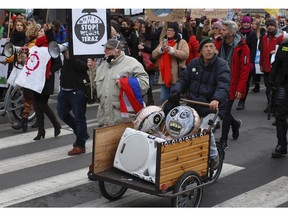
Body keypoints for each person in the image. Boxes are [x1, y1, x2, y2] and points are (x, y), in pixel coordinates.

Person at [167, 37, 231, 169]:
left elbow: (223, 85)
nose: (209, 49)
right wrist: (176, 91)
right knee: (179, 126)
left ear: (215, 49)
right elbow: (183, 80)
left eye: (211, 47)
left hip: (212, 106)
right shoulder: (194, 63)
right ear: (200, 50)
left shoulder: (222, 65)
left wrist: (216, 99)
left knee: (204, 131)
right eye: (206, 47)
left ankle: (214, 157)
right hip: (193, 104)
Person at [89, 38, 149, 127]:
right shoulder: (102, 66)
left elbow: (145, 85)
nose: (105, 50)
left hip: (123, 119)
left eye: (109, 49)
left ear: (118, 51)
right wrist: (92, 70)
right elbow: (96, 87)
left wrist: (126, 83)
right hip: (105, 119)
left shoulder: (132, 63)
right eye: (105, 48)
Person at [218, 20, 250, 149]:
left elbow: (244, 70)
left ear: (231, 33)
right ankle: (235, 123)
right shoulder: (219, 44)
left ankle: (223, 140)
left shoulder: (243, 48)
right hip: (218, 82)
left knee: (225, 112)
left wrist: (240, 89)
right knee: (220, 111)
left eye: (224, 30)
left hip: (232, 83)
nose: (221, 31)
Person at [57, 46, 91, 156]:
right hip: (65, 89)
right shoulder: (65, 50)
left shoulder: (84, 50)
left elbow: (85, 67)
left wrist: (70, 57)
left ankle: (80, 145)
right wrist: (48, 33)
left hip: (77, 90)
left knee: (79, 118)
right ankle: (82, 134)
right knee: (62, 113)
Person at [32, 24, 62, 141]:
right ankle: (41, 131)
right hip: (36, 78)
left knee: (43, 104)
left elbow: (58, 63)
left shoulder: (51, 45)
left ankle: (56, 125)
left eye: (41, 31)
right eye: (39, 31)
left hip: (46, 79)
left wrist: (50, 71)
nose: (39, 32)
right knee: (36, 104)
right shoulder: (36, 46)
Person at [11, 23, 41, 132]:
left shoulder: (33, 45)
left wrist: (23, 59)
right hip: (28, 74)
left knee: (32, 99)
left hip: (32, 75)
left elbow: (31, 59)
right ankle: (24, 123)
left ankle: (32, 122)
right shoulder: (29, 43)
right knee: (28, 99)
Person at [151, 22, 189, 103]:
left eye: (171, 30)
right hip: (164, 76)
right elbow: (153, 55)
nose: (169, 32)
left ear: (176, 32)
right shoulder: (163, 42)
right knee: (163, 99)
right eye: (168, 30)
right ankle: (166, 113)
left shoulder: (182, 42)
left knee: (174, 99)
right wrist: (161, 49)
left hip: (176, 76)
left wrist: (172, 50)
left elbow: (185, 55)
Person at [259, 18, 284, 113]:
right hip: (266, 67)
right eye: (268, 25)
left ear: (275, 26)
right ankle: (270, 104)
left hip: (276, 68)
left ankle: (275, 106)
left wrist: (277, 52)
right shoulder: (264, 37)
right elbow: (262, 52)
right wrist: (261, 65)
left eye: (272, 25)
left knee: (276, 88)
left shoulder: (280, 37)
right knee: (268, 87)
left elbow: (285, 51)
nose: (270, 27)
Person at [269, 38, 288, 158]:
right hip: (283, 84)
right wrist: (271, 82)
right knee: (279, 115)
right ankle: (281, 144)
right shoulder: (284, 46)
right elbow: (276, 65)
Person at [236, 16, 258, 110]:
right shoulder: (238, 33)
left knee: (245, 81)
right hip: (237, 59)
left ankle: (242, 100)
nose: (246, 24)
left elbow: (253, 49)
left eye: (247, 23)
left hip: (247, 60)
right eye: (244, 22)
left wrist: (251, 62)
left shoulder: (252, 34)